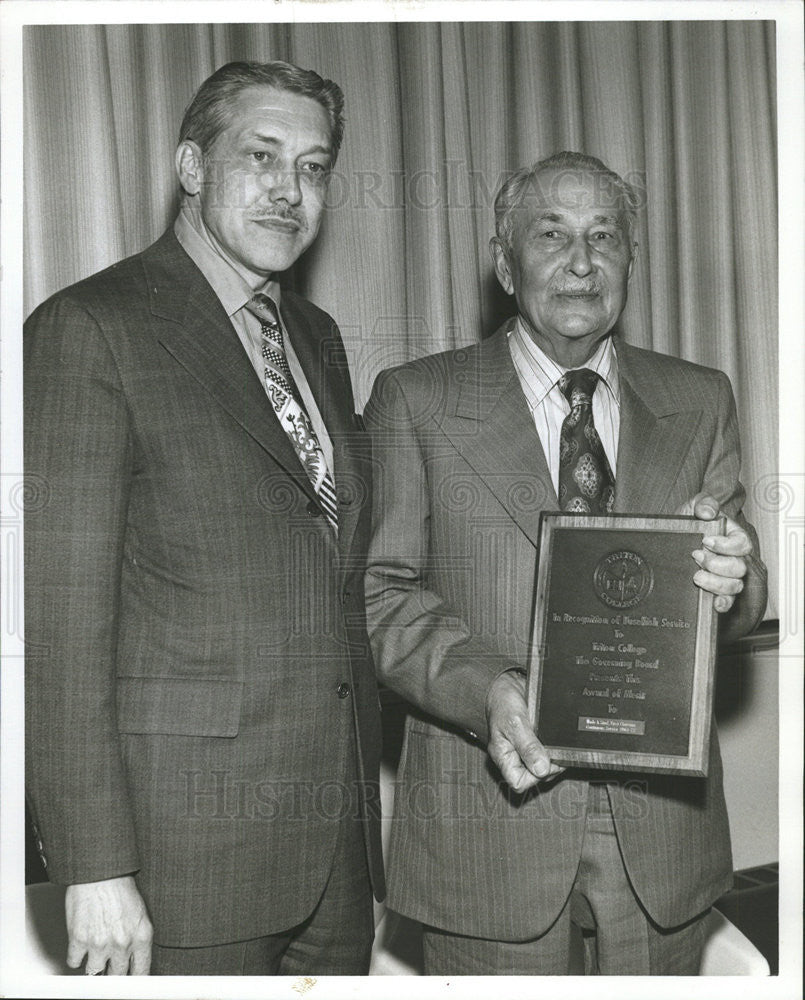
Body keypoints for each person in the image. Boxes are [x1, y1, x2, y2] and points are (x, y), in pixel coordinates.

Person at [363, 151, 767, 975]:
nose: (581, 262)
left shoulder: (699, 397)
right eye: (550, 236)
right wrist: (487, 690)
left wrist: (735, 577)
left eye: (603, 236)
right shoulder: (418, 399)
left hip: (663, 830)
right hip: (488, 823)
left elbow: (742, 589)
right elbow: (381, 595)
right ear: (505, 265)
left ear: (629, 261)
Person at [25, 60, 384, 977]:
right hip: (182, 853)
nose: (288, 190)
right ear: (190, 167)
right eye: (260, 156)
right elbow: (63, 625)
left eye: (312, 167)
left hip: (332, 844)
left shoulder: (317, 337)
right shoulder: (90, 328)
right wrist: (95, 865)